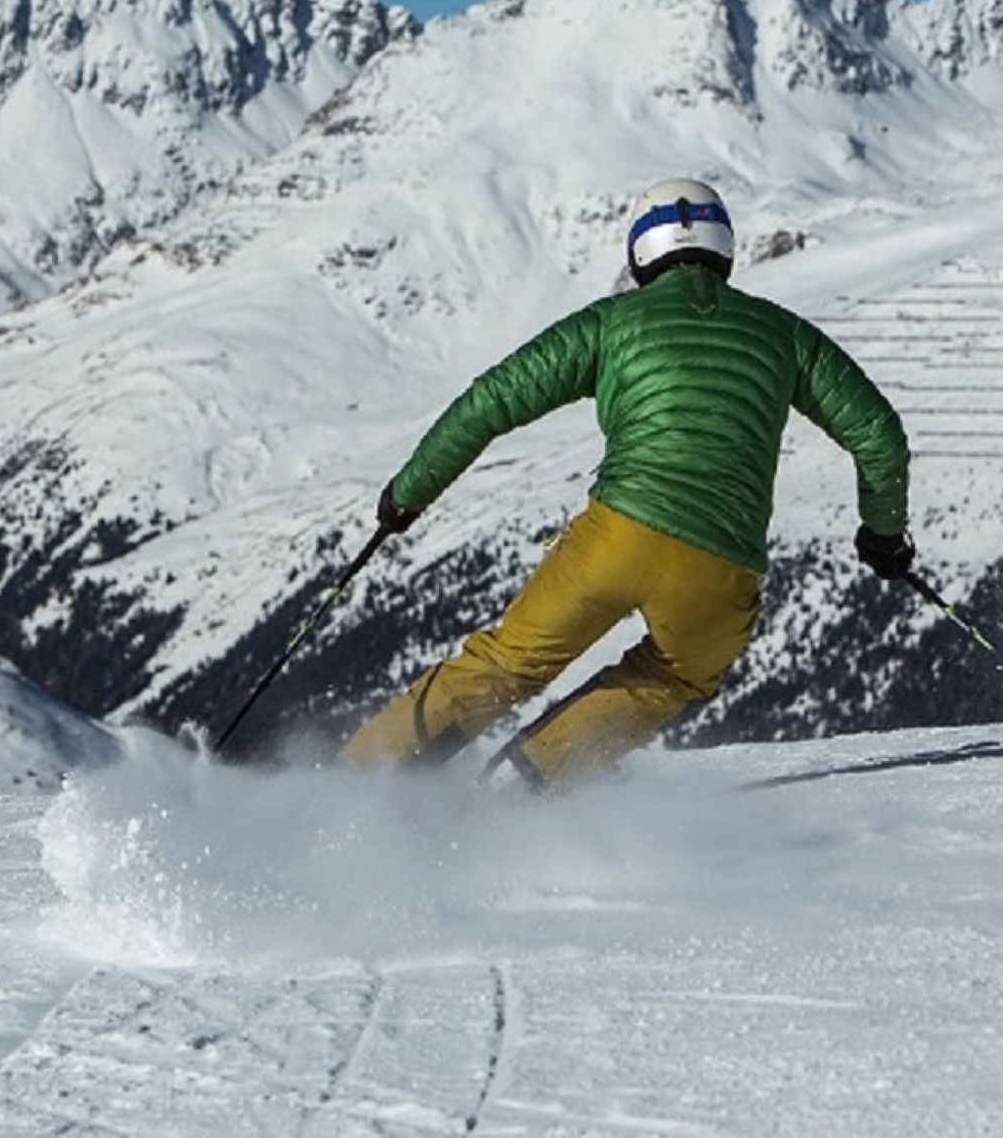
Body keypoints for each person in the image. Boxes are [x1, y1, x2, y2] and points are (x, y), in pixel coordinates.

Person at [339, 178, 914, 789]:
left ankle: (354, 783)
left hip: (616, 537)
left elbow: (489, 404)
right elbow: (878, 436)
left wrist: (408, 496)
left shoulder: (609, 324)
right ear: (725, 247)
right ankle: (519, 790)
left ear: (640, 251)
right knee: (675, 675)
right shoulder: (787, 336)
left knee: (509, 662)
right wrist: (882, 535)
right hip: (720, 568)